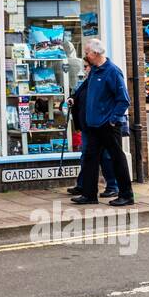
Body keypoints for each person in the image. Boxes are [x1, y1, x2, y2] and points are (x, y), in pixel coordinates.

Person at [67, 38, 134, 206]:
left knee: (117, 159)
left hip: (107, 126)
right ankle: (89, 195)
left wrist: (112, 120)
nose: (86, 55)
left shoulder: (112, 71)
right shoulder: (95, 71)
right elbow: (84, 89)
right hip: (92, 125)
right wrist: (73, 98)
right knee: (90, 159)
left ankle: (126, 195)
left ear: (96, 53)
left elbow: (123, 100)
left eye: (88, 52)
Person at [66, 64, 120, 199]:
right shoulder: (88, 81)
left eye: (86, 66)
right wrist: (72, 99)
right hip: (88, 126)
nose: (85, 69)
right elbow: (78, 95)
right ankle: (83, 185)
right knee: (87, 156)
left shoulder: (107, 75)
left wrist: (112, 120)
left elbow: (120, 100)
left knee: (105, 157)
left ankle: (113, 186)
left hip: (101, 125)